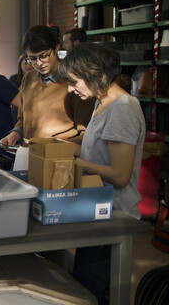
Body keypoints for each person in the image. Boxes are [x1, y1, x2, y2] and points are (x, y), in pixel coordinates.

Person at [58, 42, 145, 304]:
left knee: (93, 292)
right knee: (85, 285)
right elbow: (96, 152)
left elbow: (119, 174)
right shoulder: (102, 102)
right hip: (96, 210)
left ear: (94, 75)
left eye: (74, 81)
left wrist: (76, 164)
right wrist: (54, 148)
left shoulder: (123, 108)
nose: (70, 89)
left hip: (114, 216)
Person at [0, 25, 95, 149]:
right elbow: (22, 119)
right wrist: (15, 134)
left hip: (59, 159)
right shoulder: (28, 79)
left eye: (43, 56)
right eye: (32, 59)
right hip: (29, 155)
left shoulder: (75, 82)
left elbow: (86, 134)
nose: (39, 63)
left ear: (56, 47)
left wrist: (52, 146)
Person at [8, 54, 33, 124]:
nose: (28, 66)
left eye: (30, 63)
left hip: (32, 110)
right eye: (25, 63)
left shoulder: (37, 78)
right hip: (16, 111)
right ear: (20, 65)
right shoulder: (13, 78)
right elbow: (10, 97)